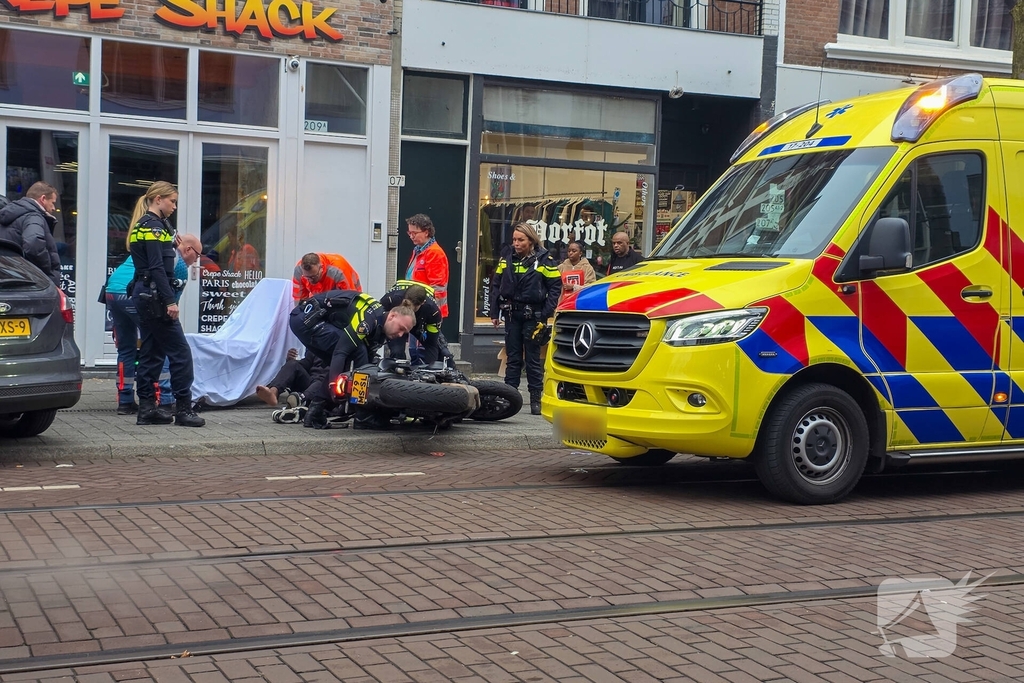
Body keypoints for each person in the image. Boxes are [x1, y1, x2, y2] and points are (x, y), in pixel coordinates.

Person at [127, 181, 205, 428]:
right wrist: (170, 300)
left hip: (144, 294)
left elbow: (146, 262)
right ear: (158, 199)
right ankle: (184, 409)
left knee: (151, 352)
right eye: (172, 201)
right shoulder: (154, 227)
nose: (174, 206)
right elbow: (157, 267)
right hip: (155, 298)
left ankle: (147, 409)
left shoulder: (143, 225)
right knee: (181, 354)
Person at [288, 290, 416, 429]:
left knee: (359, 362)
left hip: (309, 320)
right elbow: (340, 352)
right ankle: (363, 416)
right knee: (356, 351)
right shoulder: (367, 319)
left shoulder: (379, 325)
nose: (401, 334)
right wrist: (334, 386)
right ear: (392, 316)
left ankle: (315, 412)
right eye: (401, 328)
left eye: (405, 333)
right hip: (304, 318)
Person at [105, 233, 202, 415]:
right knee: (162, 342)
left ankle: (125, 401)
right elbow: (170, 304)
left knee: (126, 348)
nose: (196, 261)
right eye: (197, 255)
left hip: (112, 291)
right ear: (188, 249)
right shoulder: (178, 264)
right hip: (134, 294)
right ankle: (165, 399)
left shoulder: (155, 247)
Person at [488, 223, 561, 415]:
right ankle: (509, 397)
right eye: (514, 240)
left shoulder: (545, 260)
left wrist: (545, 313)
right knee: (512, 358)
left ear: (531, 241)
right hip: (512, 314)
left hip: (534, 315)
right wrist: (494, 313)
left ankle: (535, 399)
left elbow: (555, 287)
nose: (516, 243)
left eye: (520, 240)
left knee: (532, 359)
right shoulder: (507, 259)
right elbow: (496, 285)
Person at [0, 181, 62, 286]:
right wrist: (47, 273)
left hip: (10, 279)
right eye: (52, 202)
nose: (53, 208)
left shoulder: (12, 215)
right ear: (43, 199)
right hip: (30, 282)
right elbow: (33, 245)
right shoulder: (33, 217)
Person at [380, 281, 443, 366]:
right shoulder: (391, 300)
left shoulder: (432, 310)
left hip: (420, 323)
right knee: (397, 351)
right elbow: (379, 322)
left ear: (422, 303)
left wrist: (431, 367)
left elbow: (431, 343)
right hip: (399, 323)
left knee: (441, 351)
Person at [405, 214, 450, 318]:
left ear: (426, 232)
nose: (411, 236)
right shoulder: (418, 250)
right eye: (409, 233)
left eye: (414, 233)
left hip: (427, 309)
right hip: (418, 304)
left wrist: (430, 311)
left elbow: (437, 288)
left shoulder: (434, 253)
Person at [255, 348, 324, 407]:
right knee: (292, 364)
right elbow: (307, 364)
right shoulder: (315, 344)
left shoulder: (330, 344)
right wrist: (290, 360)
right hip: (310, 382)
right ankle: (273, 392)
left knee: (321, 381)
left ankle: (301, 399)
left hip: (325, 388)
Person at [292, 252, 362, 301]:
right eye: (307, 277)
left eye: (314, 277)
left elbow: (350, 297)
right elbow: (299, 298)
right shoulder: (299, 271)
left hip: (346, 292)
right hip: (321, 295)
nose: (310, 280)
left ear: (321, 268)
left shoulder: (338, 270)